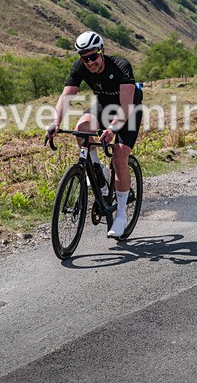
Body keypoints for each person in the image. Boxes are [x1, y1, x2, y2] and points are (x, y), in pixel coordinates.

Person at [46, 31, 143, 238]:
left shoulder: (120, 66)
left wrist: (113, 129)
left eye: (92, 56)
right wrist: (55, 122)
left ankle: (121, 214)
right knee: (82, 128)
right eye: (84, 58)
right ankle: (98, 170)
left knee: (118, 156)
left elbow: (126, 107)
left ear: (102, 51)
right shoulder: (80, 67)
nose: (89, 62)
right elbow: (66, 97)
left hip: (128, 111)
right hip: (103, 106)